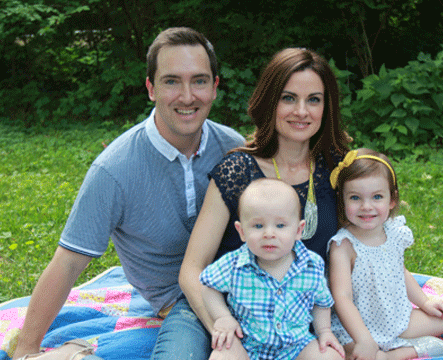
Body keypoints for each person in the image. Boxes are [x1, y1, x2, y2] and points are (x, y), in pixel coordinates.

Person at [12, 27, 244, 360]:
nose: (187, 95)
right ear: (150, 88)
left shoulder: (232, 148)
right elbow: (68, 262)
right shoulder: (115, 169)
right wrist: (26, 348)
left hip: (242, 287)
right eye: (171, 81)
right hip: (178, 302)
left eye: (199, 81)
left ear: (215, 87)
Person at [179, 47, 350, 358]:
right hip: (240, 323)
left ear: (327, 107)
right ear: (270, 102)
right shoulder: (237, 171)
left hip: (305, 329)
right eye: (288, 98)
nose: (302, 111)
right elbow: (192, 269)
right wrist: (223, 328)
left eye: (314, 99)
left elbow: (369, 237)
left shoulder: (337, 169)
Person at [327, 148, 443, 360]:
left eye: (377, 197)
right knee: (348, 354)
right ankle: (398, 353)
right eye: (355, 198)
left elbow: (400, 272)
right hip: (356, 329)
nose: (367, 207)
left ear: (392, 200)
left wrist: (425, 303)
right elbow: (342, 297)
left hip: (397, 320)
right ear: (343, 201)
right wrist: (364, 339)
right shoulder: (344, 245)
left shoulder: (392, 232)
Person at [200, 178, 345, 360]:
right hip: (248, 346)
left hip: (297, 346)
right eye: (258, 226)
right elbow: (208, 287)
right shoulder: (233, 264)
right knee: (222, 356)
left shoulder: (311, 264)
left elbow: (320, 302)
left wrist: (324, 331)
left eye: (280, 225)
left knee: (329, 356)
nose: (269, 234)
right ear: (242, 231)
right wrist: (222, 317)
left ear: (299, 230)